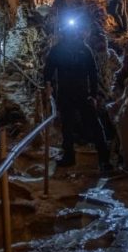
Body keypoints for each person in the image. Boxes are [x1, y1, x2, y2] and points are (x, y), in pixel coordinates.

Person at [44, 19, 112, 171]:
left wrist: (93, 95)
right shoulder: (61, 50)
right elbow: (48, 71)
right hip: (69, 92)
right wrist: (48, 87)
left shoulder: (81, 49)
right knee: (69, 126)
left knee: (92, 124)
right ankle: (72, 156)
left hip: (81, 93)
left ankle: (103, 159)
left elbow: (93, 73)